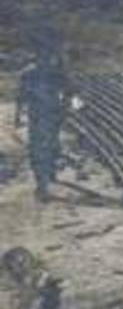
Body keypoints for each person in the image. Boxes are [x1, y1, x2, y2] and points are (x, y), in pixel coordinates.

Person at [16, 46, 71, 202]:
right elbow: (21, 96)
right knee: (37, 148)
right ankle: (42, 183)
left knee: (50, 144)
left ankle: (49, 174)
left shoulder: (56, 73)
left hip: (53, 115)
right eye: (42, 57)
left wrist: (65, 108)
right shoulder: (28, 74)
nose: (45, 60)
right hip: (38, 116)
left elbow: (70, 91)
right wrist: (17, 116)